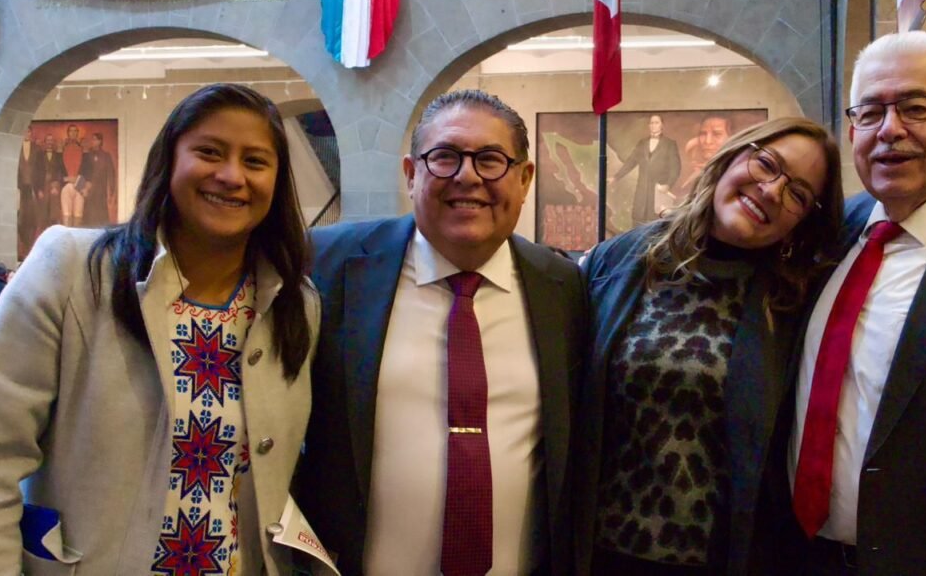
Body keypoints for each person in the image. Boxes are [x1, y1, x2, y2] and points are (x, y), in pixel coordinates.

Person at [0, 84, 322, 574]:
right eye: (209, 152)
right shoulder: (73, 270)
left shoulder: (295, 304)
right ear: (168, 161)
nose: (232, 176)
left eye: (255, 161)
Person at [297, 89, 586, 576]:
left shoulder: (562, 288)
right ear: (411, 174)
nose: (467, 176)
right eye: (445, 157)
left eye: (490, 159)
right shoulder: (327, 265)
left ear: (525, 179)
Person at [785, 31, 926, 575]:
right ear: (852, 133)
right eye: (870, 113)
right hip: (801, 557)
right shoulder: (822, 235)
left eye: (916, 107)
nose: (890, 130)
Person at [578, 117, 843, 576]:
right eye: (767, 165)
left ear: (803, 221)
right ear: (731, 157)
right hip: (601, 554)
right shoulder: (619, 262)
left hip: (725, 560)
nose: (771, 191)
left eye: (797, 194)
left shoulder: (796, 304)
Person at [610, 114, 682, 226]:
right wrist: (616, 177)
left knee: (657, 222)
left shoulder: (669, 144)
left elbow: (675, 167)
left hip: (658, 191)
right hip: (642, 191)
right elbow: (631, 162)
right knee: (638, 220)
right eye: (651, 123)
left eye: (656, 122)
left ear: (662, 125)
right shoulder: (642, 143)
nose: (653, 125)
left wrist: (668, 185)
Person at [682, 116, 733, 190]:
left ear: (731, 138)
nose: (707, 141)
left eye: (717, 134)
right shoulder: (696, 172)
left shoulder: (736, 171)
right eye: (703, 134)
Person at [79, 132, 116, 226]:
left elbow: (111, 174)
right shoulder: (87, 155)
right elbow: (82, 172)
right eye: (92, 139)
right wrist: (82, 189)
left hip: (101, 190)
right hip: (89, 189)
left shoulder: (106, 156)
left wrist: (111, 191)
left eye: (95, 139)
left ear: (100, 141)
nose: (93, 142)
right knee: (88, 216)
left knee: (101, 217)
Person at [17, 125, 38, 260]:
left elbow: (40, 169)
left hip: (32, 188)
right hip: (19, 188)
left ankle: (30, 245)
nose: (26, 134)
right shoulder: (16, 148)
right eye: (24, 131)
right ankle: (22, 244)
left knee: (32, 217)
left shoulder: (37, 149)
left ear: (31, 133)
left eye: (29, 132)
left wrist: (39, 187)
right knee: (20, 217)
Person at [60, 123, 86, 227]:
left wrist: (78, 182)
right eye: (71, 131)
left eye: (75, 131)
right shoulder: (62, 149)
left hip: (79, 187)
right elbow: (57, 171)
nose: (73, 133)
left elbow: (87, 171)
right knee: (67, 217)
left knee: (78, 216)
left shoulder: (83, 150)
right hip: (66, 186)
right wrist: (67, 179)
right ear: (68, 133)